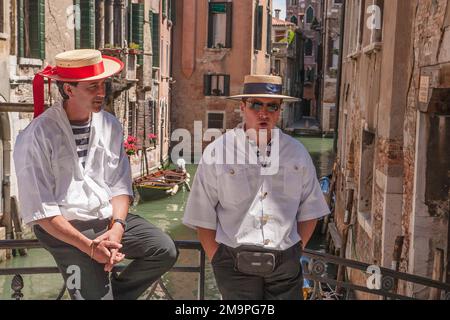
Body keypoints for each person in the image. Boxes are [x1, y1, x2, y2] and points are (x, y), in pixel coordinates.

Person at [13, 49, 177, 300]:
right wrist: (91, 247)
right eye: (92, 87)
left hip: (107, 220)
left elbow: (120, 186)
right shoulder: (37, 135)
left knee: (163, 249)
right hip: (64, 228)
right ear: (69, 90)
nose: (101, 93)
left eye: (102, 84)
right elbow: (42, 211)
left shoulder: (110, 125)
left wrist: (117, 229)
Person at [183, 75, 330, 300]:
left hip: (285, 265)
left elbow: (311, 208)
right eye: (256, 105)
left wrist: (295, 250)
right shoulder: (217, 151)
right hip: (233, 265)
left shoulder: (297, 152)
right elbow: (201, 212)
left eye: (272, 106)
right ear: (243, 107)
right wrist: (218, 258)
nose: (264, 112)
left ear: (280, 110)